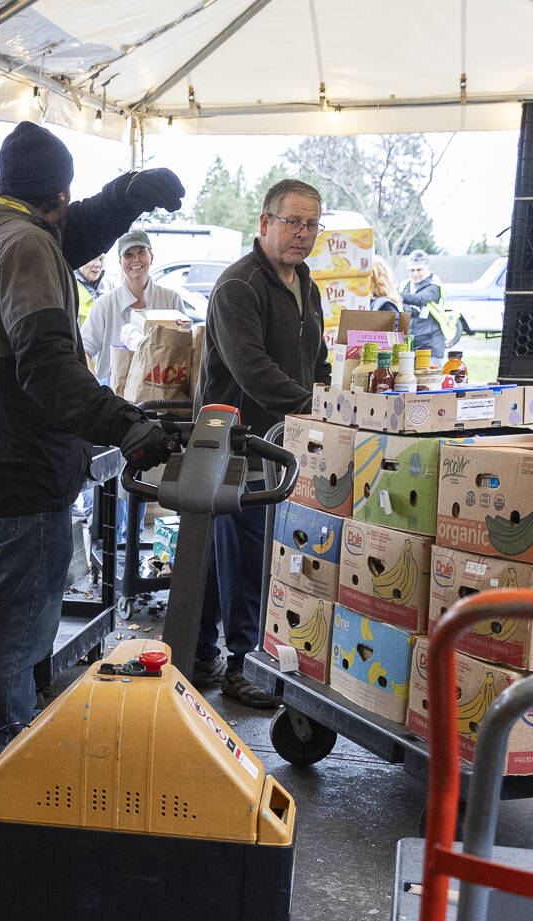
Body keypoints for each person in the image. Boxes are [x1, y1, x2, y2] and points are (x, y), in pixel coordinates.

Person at [0, 121, 187, 775]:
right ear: (57, 191)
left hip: (9, 455)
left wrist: (128, 193)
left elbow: (71, 230)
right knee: (23, 622)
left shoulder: (4, 227)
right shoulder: (23, 245)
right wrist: (125, 423)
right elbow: (48, 370)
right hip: (28, 460)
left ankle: (11, 731)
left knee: (19, 607)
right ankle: (7, 755)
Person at [194, 177, 332, 711]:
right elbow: (254, 371)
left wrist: (326, 399)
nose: (302, 234)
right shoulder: (239, 287)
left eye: (312, 224)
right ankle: (242, 662)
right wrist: (313, 407)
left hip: (282, 440)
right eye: (292, 222)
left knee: (219, 555)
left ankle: (201, 652)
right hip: (238, 441)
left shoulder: (305, 285)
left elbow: (314, 361)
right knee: (245, 555)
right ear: (265, 224)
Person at [80, 230, 184, 387]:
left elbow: (184, 349)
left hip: (161, 397)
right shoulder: (105, 305)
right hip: (114, 400)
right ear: (120, 262)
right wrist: (96, 386)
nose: (136, 259)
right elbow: (83, 350)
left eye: (141, 252)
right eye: (128, 255)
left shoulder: (171, 300)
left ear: (152, 257)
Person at [401, 251, 447, 365]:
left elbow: (420, 299)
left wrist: (394, 295)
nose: (415, 274)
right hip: (411, 346)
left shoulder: (434, 286)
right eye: (412, 270)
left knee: (428, 381)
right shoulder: (405, 286)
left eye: (419, 270)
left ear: (426, 268)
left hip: (431, 346)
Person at [74, 255, 106, 323]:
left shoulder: (109, 285)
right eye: (93, 258)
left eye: (101, 259)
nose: (98, 264)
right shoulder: (70, 285)